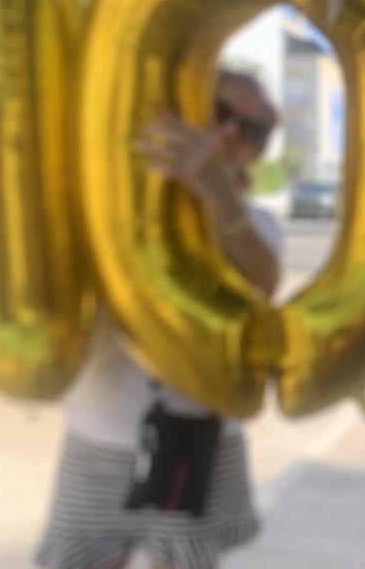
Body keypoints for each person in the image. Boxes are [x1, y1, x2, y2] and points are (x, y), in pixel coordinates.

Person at [36, 70, 282, 569]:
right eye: (221, 113)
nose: (231, 134)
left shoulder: (256, 222)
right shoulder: (106, 196)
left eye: (251, 132)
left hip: (203, 440)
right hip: (99, 436)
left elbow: (264, 280)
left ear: (256, 153)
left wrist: (219, 199)